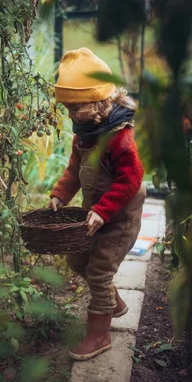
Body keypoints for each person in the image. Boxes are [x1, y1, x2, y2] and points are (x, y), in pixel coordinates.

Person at [49, 48, 146, 361]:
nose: (70, 114)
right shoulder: (86, 135)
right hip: (97, 215)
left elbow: (131, 180)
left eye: (75, 107)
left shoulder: (119, 138)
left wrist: (104, 211)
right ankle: (113, 303)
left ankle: (99, 334)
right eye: (67, 107)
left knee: (100, 272)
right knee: (77, 261)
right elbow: (74, 168)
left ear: (97, 101)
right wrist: (60, 195)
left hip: (119, 220)